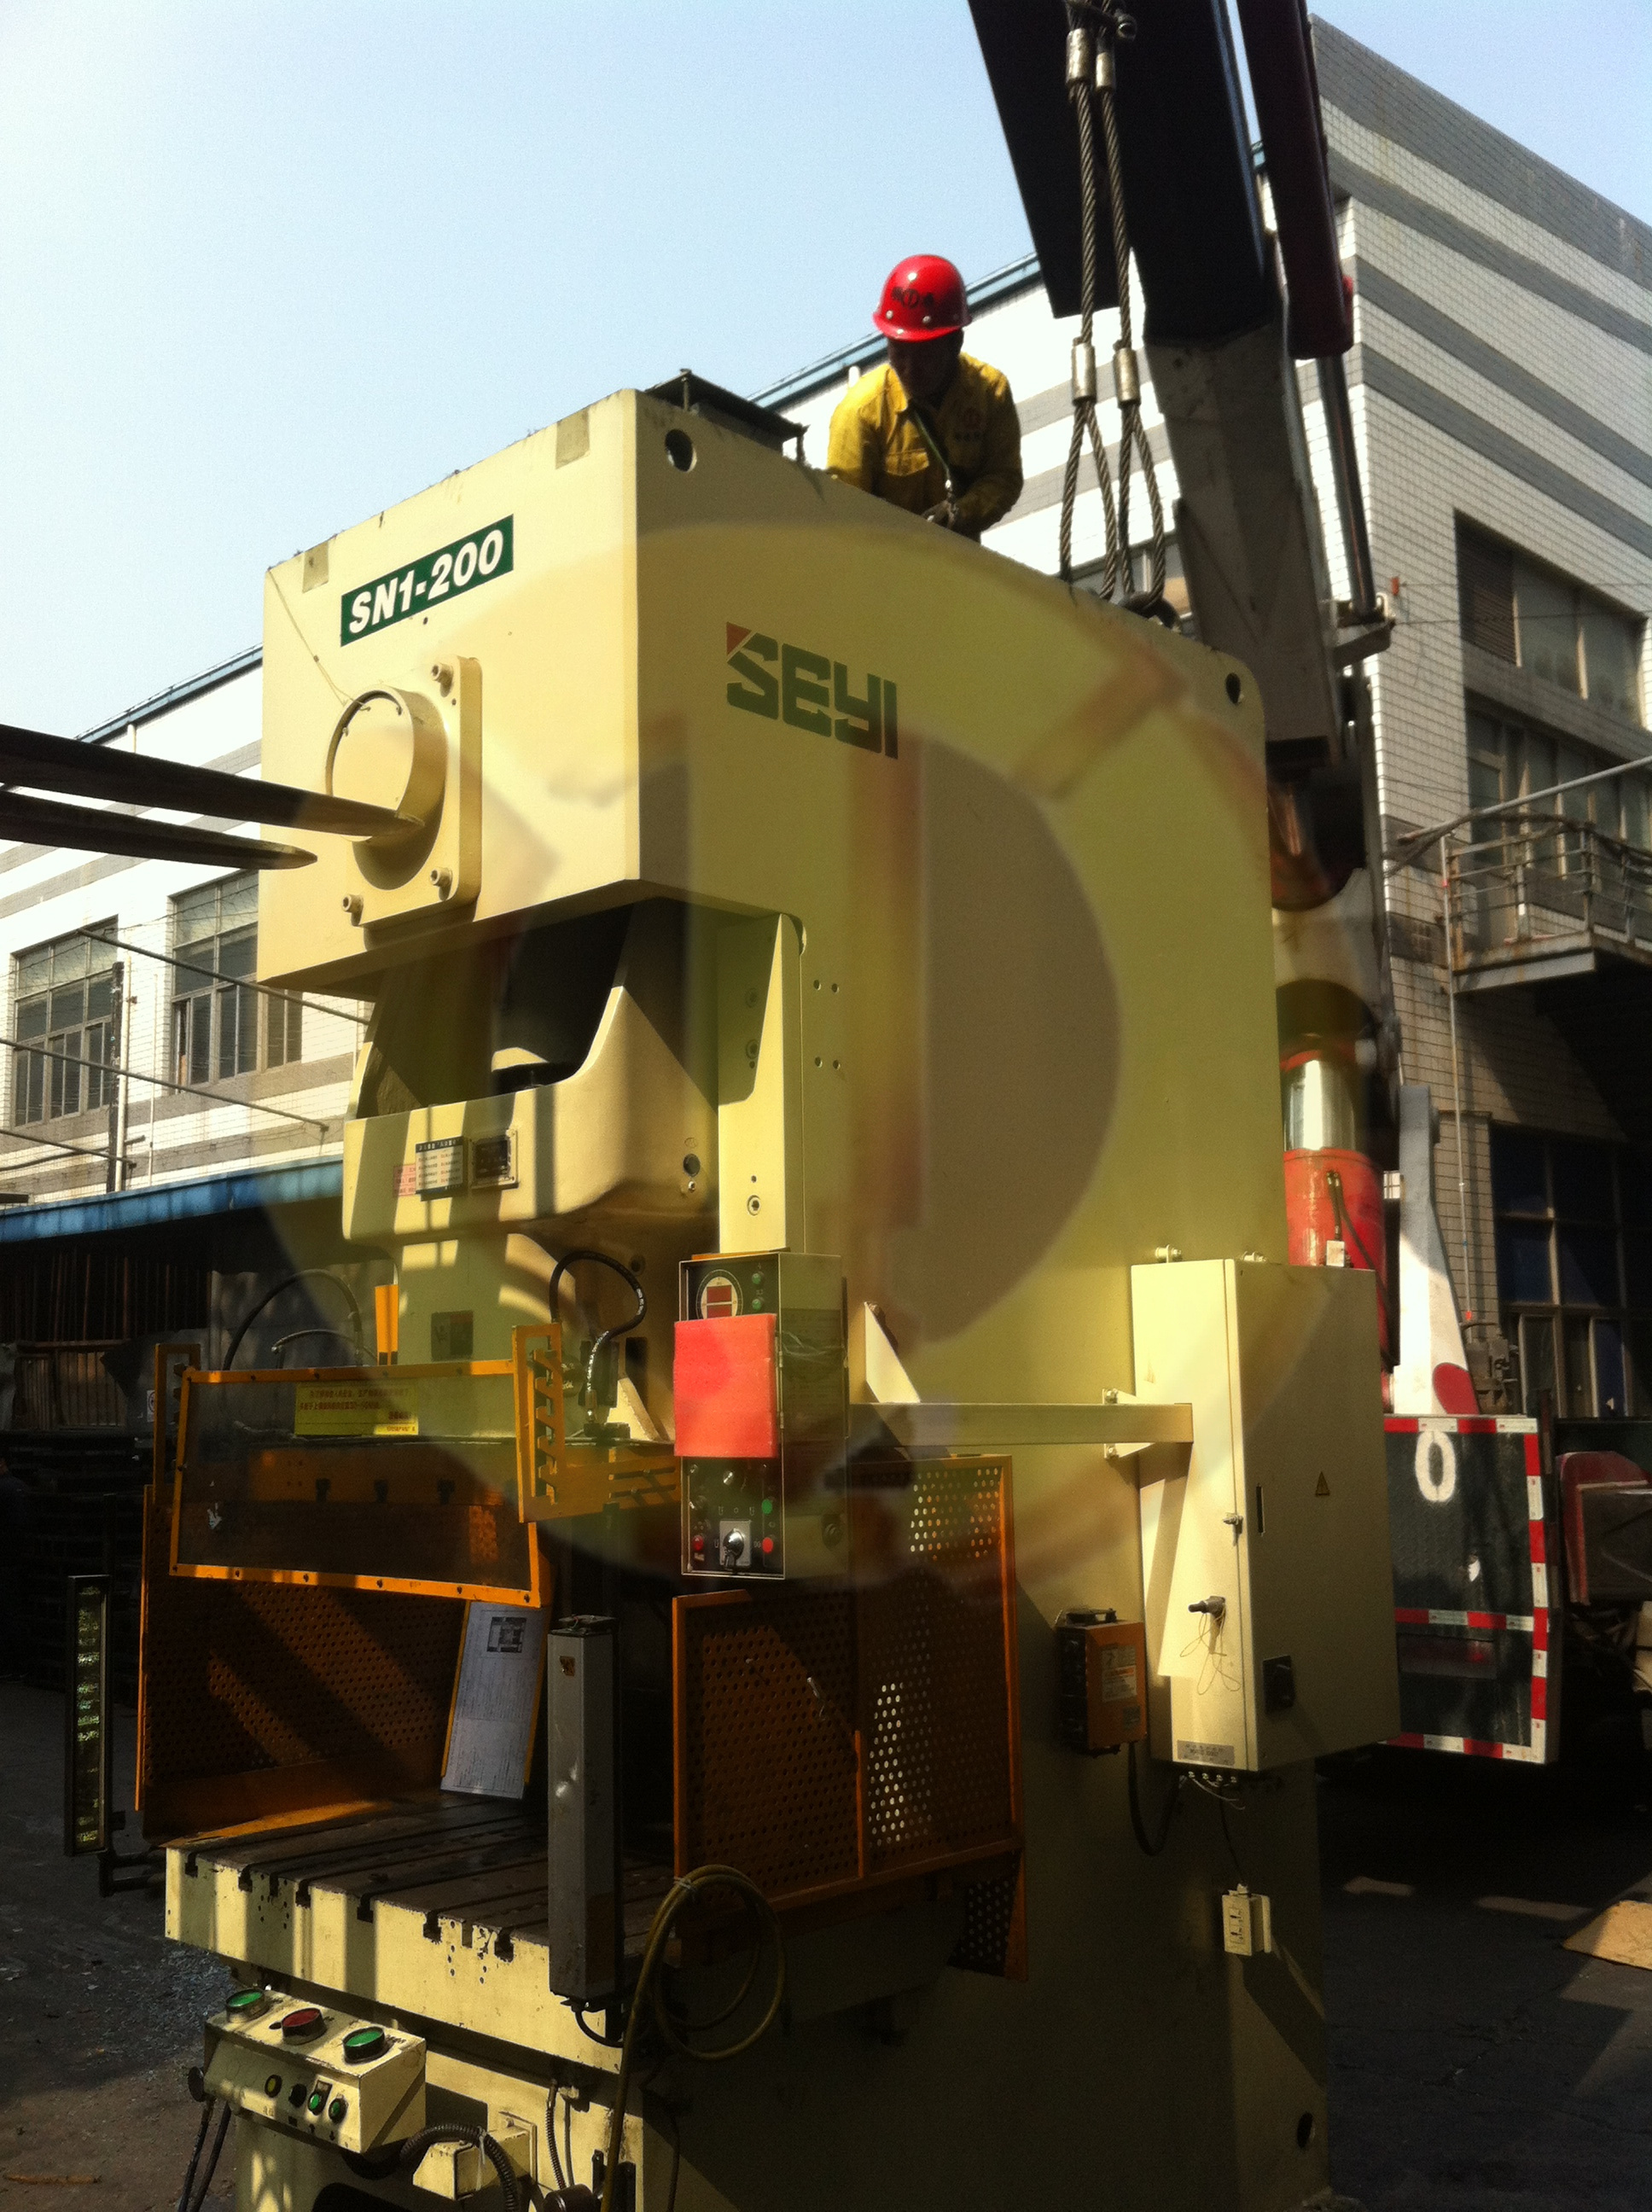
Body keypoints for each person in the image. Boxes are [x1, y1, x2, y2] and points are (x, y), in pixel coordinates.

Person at [826, 255, 1023, 542]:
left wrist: (961, 514)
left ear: (955, 342)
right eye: (899, 351)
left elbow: (1004, 478)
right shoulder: (861, 411)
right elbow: (842, 513)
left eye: (923, 354)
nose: (909, 368)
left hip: (956, 563)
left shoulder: (990, 394)